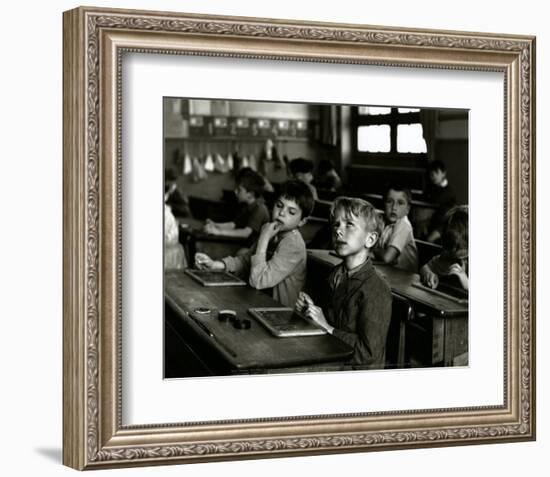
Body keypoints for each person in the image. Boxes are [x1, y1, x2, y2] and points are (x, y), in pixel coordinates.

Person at [295, 197, 392, 368]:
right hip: (333, 358)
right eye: (336, 224)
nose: (338, 231)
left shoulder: (376, 287)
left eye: (349, 225)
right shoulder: (335, 274)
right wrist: (310, 311)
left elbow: (368, 353)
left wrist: (327, 328)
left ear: (370, 239)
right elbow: (331, 320)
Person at [195, 180, 314, 307]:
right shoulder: (272, 231)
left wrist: (263, 239)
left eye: (291, 212)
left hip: (279, 313)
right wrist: (216, 265)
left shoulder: (293, 245)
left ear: (302, 221)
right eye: (279, 205)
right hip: (259, 303)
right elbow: (246, 261)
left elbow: (258, 281)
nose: (282, 213)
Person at [203, 168, 269, 245]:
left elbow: (245, 233)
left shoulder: (260, 208)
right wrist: (215, 225)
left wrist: (218, 232)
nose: (235, 191)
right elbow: (233, 225)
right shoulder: (246, 206)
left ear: (250, 194)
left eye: (239, 189)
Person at [420, 205, 469, 290]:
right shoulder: (448, 255)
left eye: (458, 246)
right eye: (450, 245)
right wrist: (428, 273)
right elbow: (425, 267)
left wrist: (467, 284)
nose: (453, 250)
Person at [372, 185, 418, 272]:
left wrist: (372, 248)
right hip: (387, 271)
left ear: (407, 209)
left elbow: (387, 258)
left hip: (405, 278)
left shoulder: (404, 225)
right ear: (384, 203)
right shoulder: (383, 220)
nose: (394, 207)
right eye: (389, 201)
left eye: (400, 203)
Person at [424, 160, 457, 243]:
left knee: (429, 240)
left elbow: (436, 201)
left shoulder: (448, 191)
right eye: (431, 174)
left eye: (436, 173)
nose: (433, 176)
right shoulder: (432, 189)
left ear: (443, 173)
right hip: (435, 221)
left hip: (446, 223)